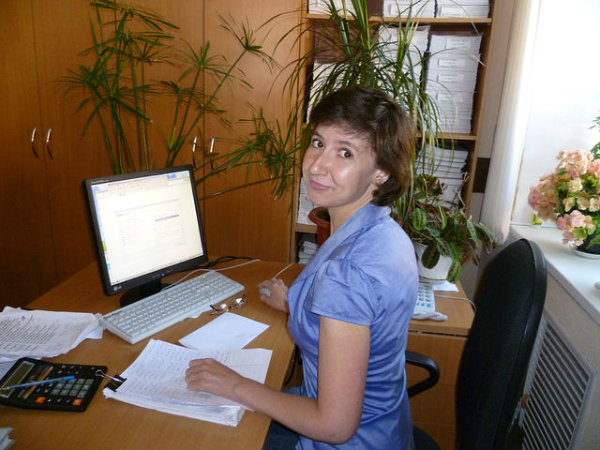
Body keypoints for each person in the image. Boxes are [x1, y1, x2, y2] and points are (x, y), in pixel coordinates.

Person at [186, 85, 419, 450]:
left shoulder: (348, 273)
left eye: (345, 152)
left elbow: (334, 426)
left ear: (381, 172)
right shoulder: (384, 232)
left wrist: (233, 384)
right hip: (387, 427)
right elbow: (360, 316)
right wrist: (296, 304)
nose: (317, 165)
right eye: (318, 142)